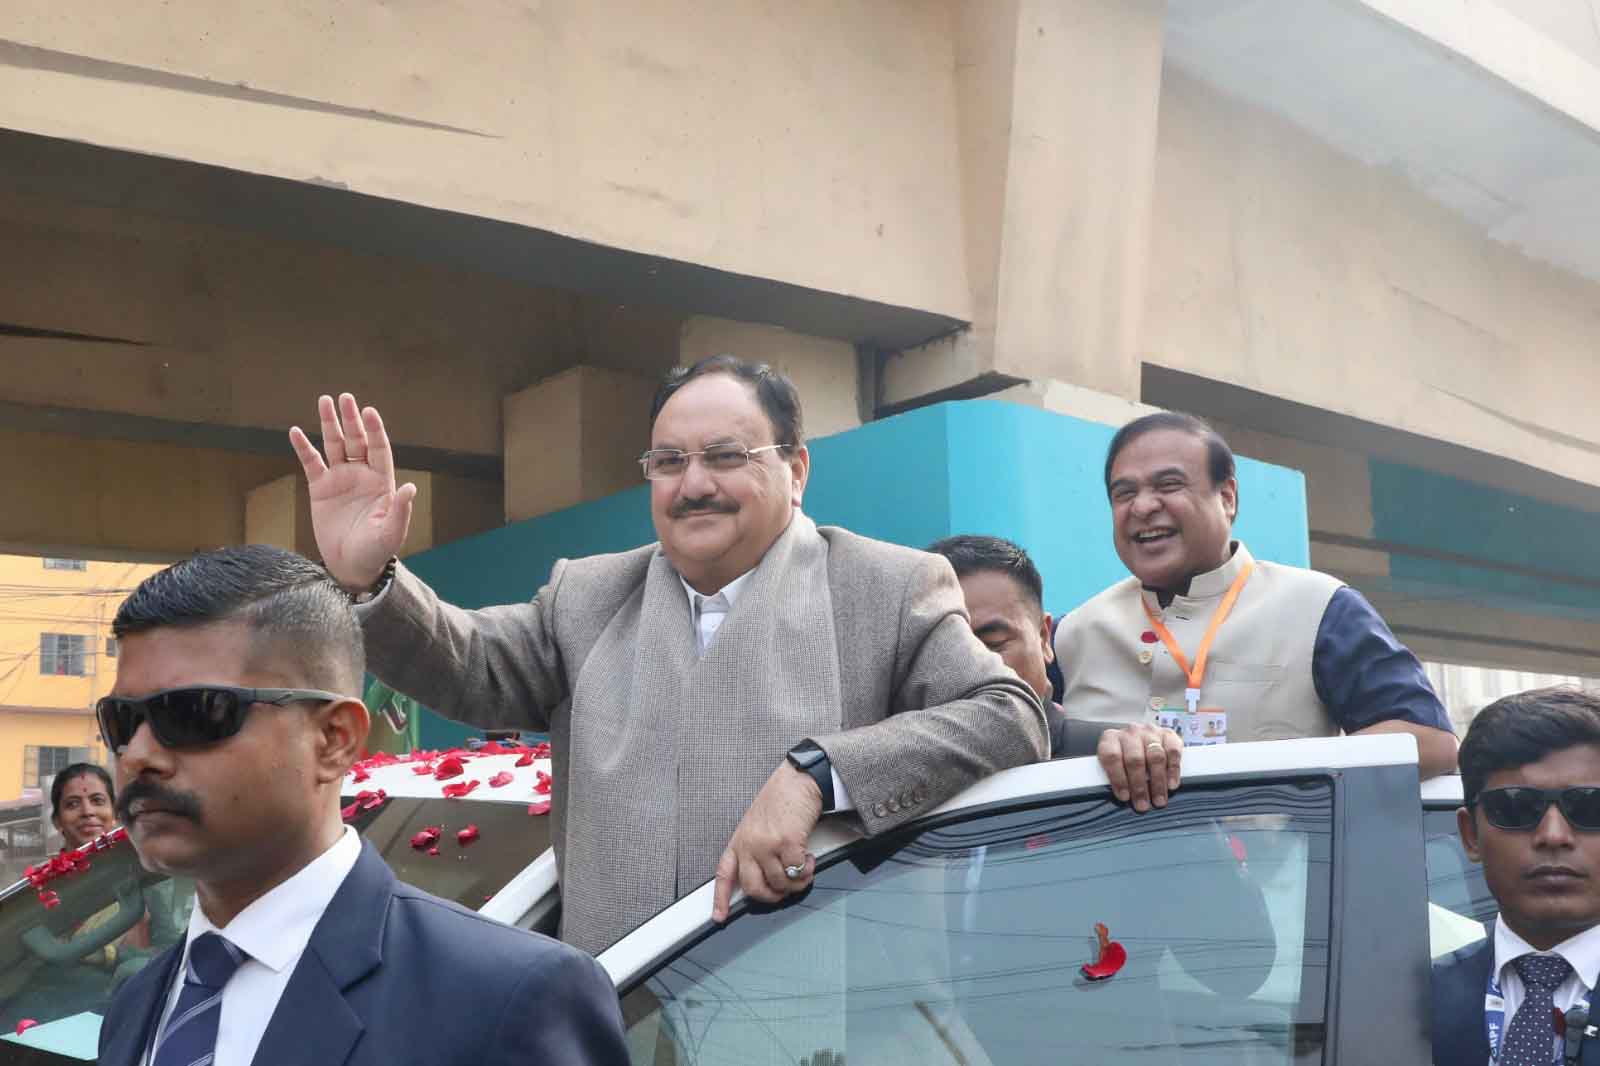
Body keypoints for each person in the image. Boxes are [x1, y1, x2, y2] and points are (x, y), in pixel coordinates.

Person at [289, 357, 1048, 953]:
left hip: (824, 1016)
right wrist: (369, 578)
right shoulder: (587, 597)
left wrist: (820, 773)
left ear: (796, 467)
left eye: (724, 456)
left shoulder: (884, 586)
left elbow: (1009, 714)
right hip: (624, 1010)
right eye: (668, 461)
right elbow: (467, 663)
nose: (693, 486)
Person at [96, 546, 628, 1066]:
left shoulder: (508, 998)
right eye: (122, 722)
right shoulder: (137, 1004)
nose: (139, 755)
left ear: (334, 739)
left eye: (192, 712)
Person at [1055, 412, 1456, 811]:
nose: (1142, 506)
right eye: (1124, 493)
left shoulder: (1319, 608)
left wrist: (1272, 782)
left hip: (1276, 872)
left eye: (1169, 485)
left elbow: (1429, 741)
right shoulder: (1073, 633)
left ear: (1227, 497)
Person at [1433, 687, 1600, 1066]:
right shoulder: (1408, 1004)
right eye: (1515, 806)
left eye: (1591, 806)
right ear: (1470, 835)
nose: (1553, 836)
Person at [926, 535, 1069, 756]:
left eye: (993, 645)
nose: (969, 669)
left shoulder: (1114, 766)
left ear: (1043, 637)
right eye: (943, 652)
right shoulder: (883, 780)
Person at [51, 763, 115, 849]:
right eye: (73, 804)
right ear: (57, 820)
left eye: (97, 800)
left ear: (115, 812)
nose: (87, 812)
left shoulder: (137, 860)